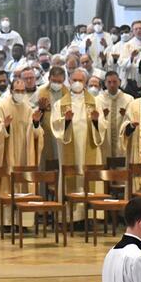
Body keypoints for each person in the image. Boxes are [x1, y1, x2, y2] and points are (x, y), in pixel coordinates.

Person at [51, 68, 104, 220]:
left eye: (80, 81)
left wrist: (95, 121)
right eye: (74, 80)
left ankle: (89, 216)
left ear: (85, 83)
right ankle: (71, 217)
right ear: (69, 81)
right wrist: (66, 121)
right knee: (72, 178)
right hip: (70, 149)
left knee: (88, 180)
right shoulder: (60, 104)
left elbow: (102, 125)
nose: (77, 83)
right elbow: (56, 125)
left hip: (90, 147)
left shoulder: (95, 103)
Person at [0, 76, 44, 199]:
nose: (20, 93)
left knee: (25, 187)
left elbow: (38, 133)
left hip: (25, 156)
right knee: (7, 187)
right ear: (11, 91)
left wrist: (36, 123)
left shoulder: (28, 109)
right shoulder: (2, 107)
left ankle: (26, 217)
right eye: (17, 90)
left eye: (22, 91)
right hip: (7, 155)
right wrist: (5, 127)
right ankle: (6, 217)